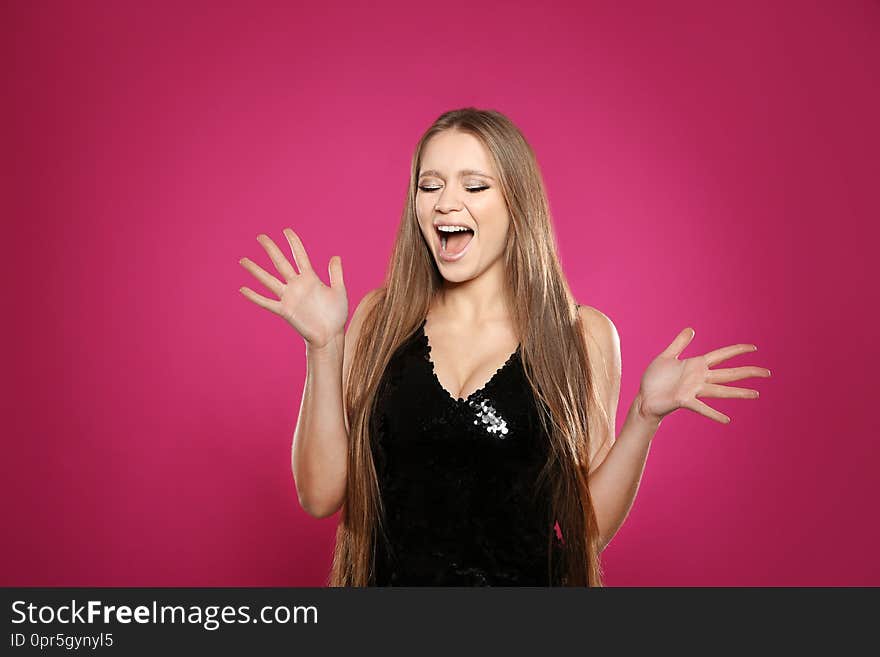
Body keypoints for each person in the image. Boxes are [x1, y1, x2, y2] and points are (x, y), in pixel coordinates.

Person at [238, 107, 771, 586]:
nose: (447, 202)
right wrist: (324, 345)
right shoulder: (380, 319)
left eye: (474, 186)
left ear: (516, 202)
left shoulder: (580, 335)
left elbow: (585, 534)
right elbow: (320, 494)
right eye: (430, 185)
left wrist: (645, 415)